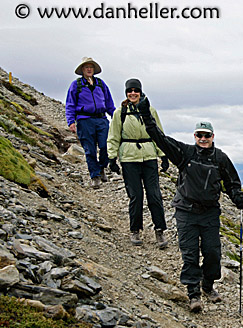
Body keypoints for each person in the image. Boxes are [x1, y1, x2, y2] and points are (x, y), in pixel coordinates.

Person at [137, 97, 243, 312]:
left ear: (213, 137)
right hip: (186, 211)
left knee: (213, 252)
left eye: (207, 135)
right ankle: (193, 294)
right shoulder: (185, 153)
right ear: (194, 136)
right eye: (199, 135)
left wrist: (238, 197)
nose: (203, 138)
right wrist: (145, 115)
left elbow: (232, 182)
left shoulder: (220, 158)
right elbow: (160, 138)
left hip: (209, 213)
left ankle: (208, 285)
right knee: (189, 254)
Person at [106, 79, 169, 248]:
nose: (133, 93)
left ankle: (160, 230)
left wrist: (163, 156)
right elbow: (113, 136)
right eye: (130, 91)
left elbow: (158, 134)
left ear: (141, 92)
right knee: (136, 196)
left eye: (136, 90)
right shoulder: (120, 112)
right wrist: (112, 158)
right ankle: (135, 230)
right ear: (126, 93)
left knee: (154, 195)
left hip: (149, 157)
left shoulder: (150, 111)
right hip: (129, 158)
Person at [65, 57, 116, 189]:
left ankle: (102, 168)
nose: (89, 69)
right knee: (90, 150)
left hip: (101, 119)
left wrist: (116, 117)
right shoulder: (76, 85)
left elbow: (109, 102)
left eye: (91, 67)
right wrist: (71, 121)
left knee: (105, 146)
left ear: (94, 70)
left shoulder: (100, 83)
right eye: (86, 67)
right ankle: (95, 176)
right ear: (82, 69)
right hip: (84, 120)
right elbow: (70, 104)